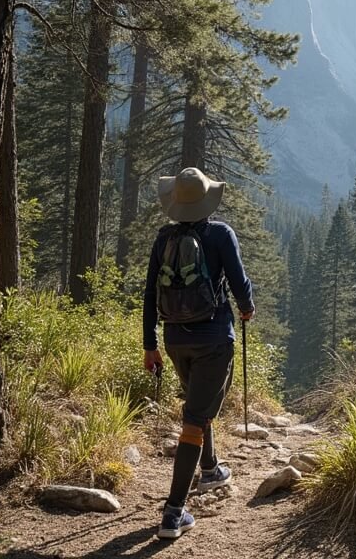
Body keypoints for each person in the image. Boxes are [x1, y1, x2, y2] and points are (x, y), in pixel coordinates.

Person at [142, 167, 255, 539]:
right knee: (194, 417)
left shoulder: (162, 239)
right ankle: (173, 513)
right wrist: (247, 306)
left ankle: (209, 470)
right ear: (207, 200)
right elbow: (238, 282)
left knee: (197, 406)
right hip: (213, 340)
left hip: (176, 340)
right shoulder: (221, 234)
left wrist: (150, 346)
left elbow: (149, 297)